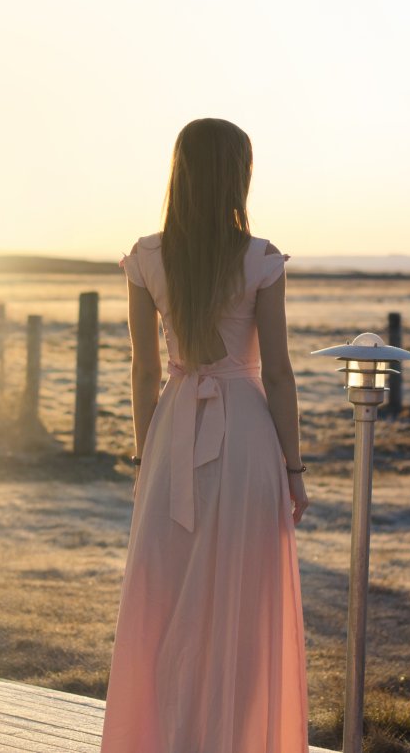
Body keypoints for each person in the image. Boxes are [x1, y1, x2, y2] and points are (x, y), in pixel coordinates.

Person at [99, 117, 311, 752]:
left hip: (171, 434)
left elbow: (142, 371)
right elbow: (277, 371)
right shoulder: (258, 258)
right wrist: (295, 469)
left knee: (162, 595)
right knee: (241, 602)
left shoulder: (147, 257)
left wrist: (145, 459)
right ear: (236, 176)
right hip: (244, 435)